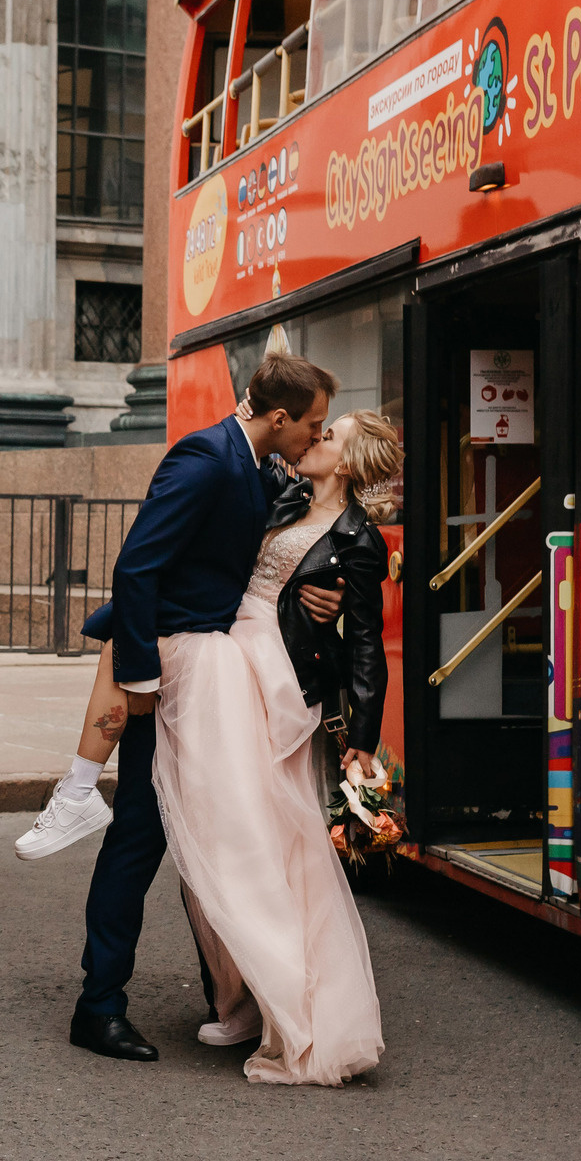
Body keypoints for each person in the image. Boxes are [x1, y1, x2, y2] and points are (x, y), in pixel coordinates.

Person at [59, 352, 343, 1063]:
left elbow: (245, 560)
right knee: (143, 836)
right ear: (278, 418)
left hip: (215, 673)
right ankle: (98, 1005)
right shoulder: (207, 457)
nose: (317, 433)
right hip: (175, 678)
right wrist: (143, 676)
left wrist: (308, 590)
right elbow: (137, 567)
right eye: (311, 423)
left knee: (210, 831)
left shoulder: (257, 464)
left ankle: (230, 998)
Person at [155, 408, 394, 1084]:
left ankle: (285, 1001)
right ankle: (235, 997)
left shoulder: (358, 538)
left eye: (329, 436)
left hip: (285, 688)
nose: (314, 440)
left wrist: (364, 741)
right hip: (227, 665)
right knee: (215, 829)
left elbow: (368, 643)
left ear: (345, 463)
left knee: (276, 844)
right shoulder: (279, 491)